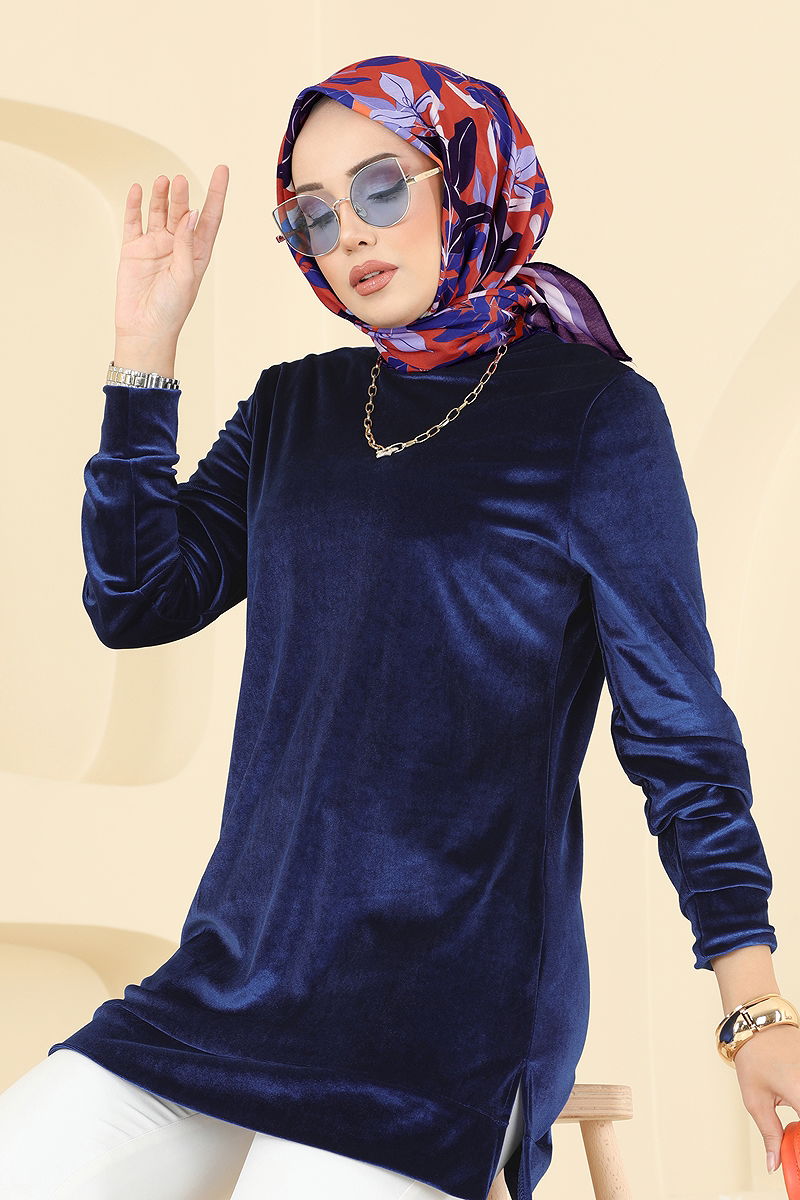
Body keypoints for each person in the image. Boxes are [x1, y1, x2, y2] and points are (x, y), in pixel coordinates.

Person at [1, 53, 797, 1200]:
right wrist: (145, 348)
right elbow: (136, 602)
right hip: (229, 983)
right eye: (313, 217)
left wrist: (751, 1005)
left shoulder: (591, 416)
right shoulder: (296, 406)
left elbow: (675, 730)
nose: (351, 236)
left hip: (440, 1019)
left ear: (463, 176)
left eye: (380, 187)